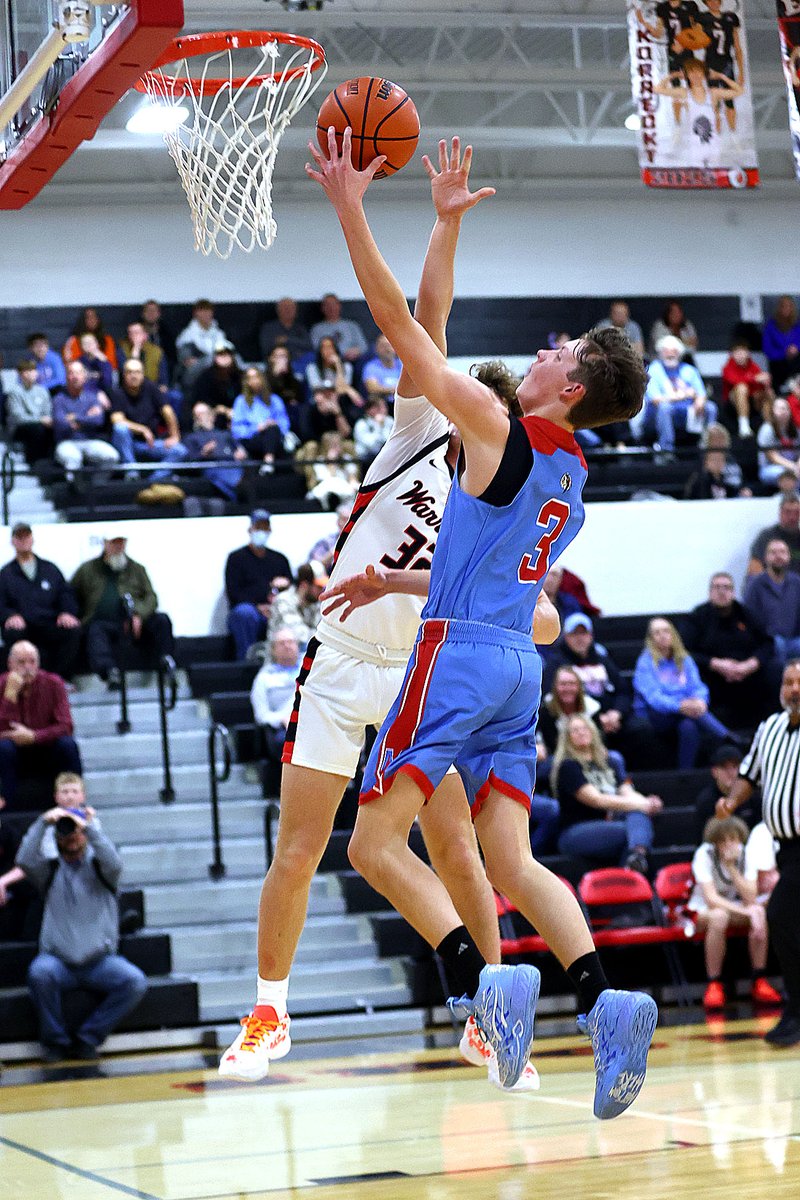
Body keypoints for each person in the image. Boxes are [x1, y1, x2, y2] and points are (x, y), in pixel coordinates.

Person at [303, 128, 656, 1112]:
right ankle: (602, 1001)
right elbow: (494, 581)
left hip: (455, 662)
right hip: (512, 670)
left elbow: (403, 326)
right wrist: (395, 586)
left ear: (571, 387)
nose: (542, 349)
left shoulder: (499, 430)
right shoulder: (571, 478)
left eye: (559, 349)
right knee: (512, 860)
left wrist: (349, 207)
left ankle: (481, 988)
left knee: (375, 848)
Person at [220, 140, 549, 1094]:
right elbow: (419, 312)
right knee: (298, 846)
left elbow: (534, 618)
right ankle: (269, 1013)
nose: (465, 399)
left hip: (424, 680)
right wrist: (439, 219)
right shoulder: (418, 432)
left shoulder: (501, 505)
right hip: (341, 659)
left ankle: (492, 1025)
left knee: (452, 847)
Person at [16, 788, 147, 1061]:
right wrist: (43, 822)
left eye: (77, 832)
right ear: (59, 838)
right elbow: (25, 860)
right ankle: (55, 1041)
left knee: (134, 982)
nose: (72, 837)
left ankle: (88, 1038)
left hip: (100, 961)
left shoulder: (102, 869)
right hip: (58, 961)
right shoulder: (49, 871)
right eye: (67, 833)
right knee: (40, 973)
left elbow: (114, 861)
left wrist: (90, 827)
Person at [718, 659, 800, 1045]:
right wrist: (732, 804)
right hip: (787, 848)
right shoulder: (769, 729)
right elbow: (750, 775)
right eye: (788, 682)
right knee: (787, 921)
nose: (794, 689)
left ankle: (795, 1011)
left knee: (781, 915)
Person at [687, 815, 782, 1010]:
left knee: (758, 912)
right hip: (700, 909)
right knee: (720, 916)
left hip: (733, 905)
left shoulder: (747, 854)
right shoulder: (704, 854)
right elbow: (711, 899)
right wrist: (747, 912)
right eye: (723, 840)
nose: (729, 844)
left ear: (740, 838)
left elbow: (750, 896)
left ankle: (759, 979)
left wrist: (731, 867)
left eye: (733, 839)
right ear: (715, 842)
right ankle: (714, 983)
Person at [551, 714, 662, 874]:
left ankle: (636, 859)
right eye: (575, 730)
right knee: (630, 831)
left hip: (608, 825)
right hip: (575, 833)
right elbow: (596, 800)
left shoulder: (609, 762)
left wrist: (648, 802)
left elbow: (627, 791)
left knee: (637, 818)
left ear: (593, 731)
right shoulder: (568, 766)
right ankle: (632, 873)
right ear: (567, 738)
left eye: (584, 728)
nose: (581, 732)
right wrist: (643, 804)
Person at [70, 536, 175, 688]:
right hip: (104, 623)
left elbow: (151, 597)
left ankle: (165, 661)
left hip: (135, 622)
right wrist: (72, 615)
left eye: (122, 542)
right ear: (105, 544)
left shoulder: (137, 569)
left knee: (162, 620)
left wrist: (138, 614)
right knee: (95, 630)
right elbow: (71, 594)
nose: (119, 546)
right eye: (114, 542)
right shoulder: (87, 570)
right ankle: (110, 672)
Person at [633, 617, 732, 768]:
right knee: (690, 716)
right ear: (651, 639)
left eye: (666, 631)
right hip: (656, 715)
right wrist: (680, 705)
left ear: (673, 634)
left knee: (688, 726)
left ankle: (685, 773)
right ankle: (727, 737)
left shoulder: (684, 659)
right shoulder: (645, 663)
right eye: (657, 633)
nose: (662, 635)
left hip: (685, 712)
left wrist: (700, 701)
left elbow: (697, 687)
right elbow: (654, 698)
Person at [682, 572, 775, 730]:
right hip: (712, 676)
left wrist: (751, 664)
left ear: (733, 592)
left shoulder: (746, 614)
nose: (722, 591)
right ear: (710, 592)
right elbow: (685, 652)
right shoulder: (698, 616)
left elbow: (767, 643)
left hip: (748, 674)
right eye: (717, 587)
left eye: (726, 587)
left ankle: (771, 727)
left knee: (776, 670)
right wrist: (716, 664)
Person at [0, 641, 82, 809]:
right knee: (4, 748)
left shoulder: (54, 683)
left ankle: (74, 805)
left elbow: (66, 726)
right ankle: (7, 810)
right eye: (21, 663)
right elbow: (2, 730)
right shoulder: (1, 684)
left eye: (32, 662)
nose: (27, 668)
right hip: (14, 753)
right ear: (10, 665)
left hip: (46, 750)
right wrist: (10, 697)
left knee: (68, 745)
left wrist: (34, 736)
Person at [0, 523, 81, 680]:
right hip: (23, 625)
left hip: (49, 622)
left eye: (26, 536)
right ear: (13, 542)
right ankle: (20, 679)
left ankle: (59, 679)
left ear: (32, 539)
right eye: (19, 537)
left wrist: (67, 613)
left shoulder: (50, 569)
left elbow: (65, 594)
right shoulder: (6, 574)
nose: (23, 541)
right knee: (12, 632)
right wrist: (10, 615)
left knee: (73, 630)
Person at [224, 511, 292, 661]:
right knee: (244, 614)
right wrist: (258, 607)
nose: (261, 532)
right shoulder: (236, 558)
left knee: (289, 613)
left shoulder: (279, 559)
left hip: (278, 608)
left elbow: (291, 589)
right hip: (250, 610)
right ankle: (247, 662)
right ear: (250, 529)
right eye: (258, 527)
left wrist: (276, 602)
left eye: (265, 528)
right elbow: (233, 592)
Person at [633, 334, 716, 453]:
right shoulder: (654, 370)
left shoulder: (689, 370)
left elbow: (701, 393)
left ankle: (709, 448)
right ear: (661, 353)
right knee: (665, 408)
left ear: (679, 353)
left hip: (687, 411)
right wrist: (683, 395)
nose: (670, 354)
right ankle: (666, 450)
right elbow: (656, 400)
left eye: (674, 351)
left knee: (711, 408)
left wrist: (699, 401)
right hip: (659, 412)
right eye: (666, 351)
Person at [109, 360, 186, 480]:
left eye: (137, 372)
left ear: (142, 374)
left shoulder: (151, 388)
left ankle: (153, 480)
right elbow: (116, 420)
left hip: (150, 444)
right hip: (129, 445)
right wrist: (142, 429)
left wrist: (175, 436)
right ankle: (131, 473)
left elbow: (168, 411)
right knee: (120, 429)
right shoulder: (118, 392)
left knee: (180, 451)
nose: (134, 376)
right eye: (130, 372)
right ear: (124, 375)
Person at [52, 361, 118, 474]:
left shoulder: (92, 397)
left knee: (111, 456)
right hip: (67, 442)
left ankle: (96, 487)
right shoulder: (59, 399)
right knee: (73, 458)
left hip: (90, 440)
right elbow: (61, 424)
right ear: (67, 377)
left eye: (79, 373)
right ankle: (75, 489)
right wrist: (86, 417)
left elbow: (98, 420)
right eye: (71, 373)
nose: (75, 377)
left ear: (85, 377)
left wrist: (74, 417)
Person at [250, 626, 303, 769]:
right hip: (284, 728)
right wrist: (282, 719)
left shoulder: (312, 670)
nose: (287, 646)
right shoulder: (264, 678)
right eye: (282, 643)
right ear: (273, 650)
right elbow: (261, 715)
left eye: (290, 642)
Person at [743, 537, 800, 665]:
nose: (778, 556)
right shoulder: (755, 584)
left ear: (789, 557)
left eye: (782, 552)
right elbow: (747, 617)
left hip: (793, 640)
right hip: (767, 641)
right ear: (766, 557)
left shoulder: (797, 582)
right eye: (773, 552)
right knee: (777, 644)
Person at [693, 743, 759, 842]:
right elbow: (703, 840)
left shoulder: (753, 796)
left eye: (735, 766)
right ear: (714, 772)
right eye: (724, 767)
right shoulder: (706, 801)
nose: (730, 772)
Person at [181, 401, 243, 501]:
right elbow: (187, 462)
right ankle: (240, 487)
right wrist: (203, 453)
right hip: (211, 467)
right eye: (196, 415)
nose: (198, 417)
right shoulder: (191, 437)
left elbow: (240, 450)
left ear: (212, 416)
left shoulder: (225, 434)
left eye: (202, 414)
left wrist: (241, 453)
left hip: (233, 465)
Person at [231, 367, 290, 464]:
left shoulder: (274, 399)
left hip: (273, 438)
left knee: (272, 430)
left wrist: (274, 423)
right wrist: (257, 428)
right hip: (252, 439)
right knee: (269, 432)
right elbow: (236, 430)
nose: (254, 380)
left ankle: (268, 459)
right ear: (247, 382)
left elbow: (284, 423)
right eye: (250, 378)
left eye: (256, 377)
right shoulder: (241, 401)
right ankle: (269, 461)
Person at [720, 340, 773, 439]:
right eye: (737, 352)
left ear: (748, 353)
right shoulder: (727, 368)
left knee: (768, 393)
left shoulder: (753, 366)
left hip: (752, 402)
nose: (740, 355)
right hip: (733, 404)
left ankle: (769, 425)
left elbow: (759, 386)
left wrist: (765, 382)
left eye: (742, 352)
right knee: (741, 388)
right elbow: (735, 381)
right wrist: (755, 379)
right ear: (732, 354)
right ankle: (743, 425)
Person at [266, 563, 327, 649]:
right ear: (304, 585)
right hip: (282, 658)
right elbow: (299, 635)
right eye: (318, 587)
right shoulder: (283, 600)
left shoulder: (316, 603)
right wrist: (326, 638)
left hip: (307, 655)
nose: (322, 590)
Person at [5, 358, 54, 465]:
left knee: (55, 428)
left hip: (42, 425)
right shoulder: (15, 392)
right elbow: (18, 417)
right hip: (20, 428)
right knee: (37, 429)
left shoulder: (42, 391)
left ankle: (52, 463)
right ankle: (34, 462)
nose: (30, 374)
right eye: (26, 371)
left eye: (32, 370)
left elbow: (48, 411)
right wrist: (40, 420)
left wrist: (46, 420)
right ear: (20, 374)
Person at [305, 336, 364, 424]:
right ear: (320, 351)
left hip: (341, 400)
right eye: (324, 347)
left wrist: (338, 365)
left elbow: (342, 390)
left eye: (330, 347)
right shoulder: (312, 368)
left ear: (336, 349)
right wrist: (349, 390)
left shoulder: (347, 366)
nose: (328, 351)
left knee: (350, 402)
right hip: (320, 401)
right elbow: (316, 388)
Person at [175, 299, 227, 391]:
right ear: (196, 313)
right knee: (211, 359)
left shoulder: (218, 333)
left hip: (216, 374)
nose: (206, 314)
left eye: (208, 311)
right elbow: (188, 362)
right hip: (193, 377)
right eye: (202, 311)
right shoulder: (187, 336)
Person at [748, 492, 800, 575]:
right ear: (780, 513)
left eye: (796, 512)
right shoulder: (767, 536)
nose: (792, 517)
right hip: (770, 585)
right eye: (788, 512)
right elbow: (754, 568)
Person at [310, 292, 369, 364]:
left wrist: (356, 351)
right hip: (327, 363)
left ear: (339, 306)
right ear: (322, 308)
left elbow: (363, 346)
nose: (331, 308)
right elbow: (316, 348)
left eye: (334, 304)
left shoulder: (352, 325)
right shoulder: (317, 329)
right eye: (327, 305)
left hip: (352, 361)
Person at [756, 396, 800, 490]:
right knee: (786, 475)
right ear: (773, 411)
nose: (783, 411)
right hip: (770, 468)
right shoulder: (767, 429)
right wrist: (793, 467)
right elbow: (772, 457)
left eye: (786, 409)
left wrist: (798, 466)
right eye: (780, 409)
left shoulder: (795, 430)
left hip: (794, 467)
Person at [762, 295, 800, 392]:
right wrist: (785, 353)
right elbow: (767, 350)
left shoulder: (798, 325)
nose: (786, 309)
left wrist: (796, 348)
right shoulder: (770, 326)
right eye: (783, 306)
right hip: (778, 365)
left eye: (789, 306)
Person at [62, 307, 118, 372]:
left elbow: (112, 364)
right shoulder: (74, 340)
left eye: (94, 317)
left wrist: (97, 353)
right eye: (88, 318)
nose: (91, 320)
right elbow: (72, 363)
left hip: (103, 371)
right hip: (83, 373)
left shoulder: (107, 339)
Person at [118, 321, 170, 390]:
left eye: (136, 333)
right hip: (131, 389)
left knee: (175, 396)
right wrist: (135, 352)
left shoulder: (157, 351)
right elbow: (125, 373)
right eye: (130, 333)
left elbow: (163, 377)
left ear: (145, 335)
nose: (133, 335)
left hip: (154, 388)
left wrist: (162, 388)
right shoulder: (122, 350)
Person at [259, 297, 311, 362]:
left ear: (296, 311)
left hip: (300, 365)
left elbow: (308, 346)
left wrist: (287, 340)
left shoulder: (300, 328)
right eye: (285, 308)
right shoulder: (268, 328)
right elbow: (266, 349)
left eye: (291, 308)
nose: (288, 311)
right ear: (278, 311)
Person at [684, 448, 750, 499]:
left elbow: (733, 492)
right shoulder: (699, 480)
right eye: (714, 459)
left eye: (721, 459)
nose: (718, 463)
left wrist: (742, 492)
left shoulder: (726, 478)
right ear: (706, 463)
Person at [307, 502, 351, 573]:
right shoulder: (326, 541)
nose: (347, 524)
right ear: (338, 522)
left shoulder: (361, 541)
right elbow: (314, 567)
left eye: (350, 520)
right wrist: (334, 551)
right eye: (344, 519)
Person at [353, 396, 394, 467]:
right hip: (367, 458)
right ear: (369, 409)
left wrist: (383, 425)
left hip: (386, 455)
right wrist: (378, 426)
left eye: (384, 407)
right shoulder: (362, 424)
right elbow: (371, 445)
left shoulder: (389, 421)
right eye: (378, 407)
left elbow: (389, 440)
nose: (383, 410)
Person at [140, 299, 177, 377]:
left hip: (164, 374)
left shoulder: (167, 334)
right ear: (143, 314)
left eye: (154, 311)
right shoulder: (136, 334)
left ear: (159, 314)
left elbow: (172, 358)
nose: (151, 314)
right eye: (148, 311)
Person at [361, 334, 403, 402]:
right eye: (383, 346)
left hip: (402, 403)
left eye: (390, 345)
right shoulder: (371, 367)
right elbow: (372, 388)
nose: (387, 349)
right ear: (376, 349)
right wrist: (396, 390)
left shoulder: (403, 364)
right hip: (384, 404)